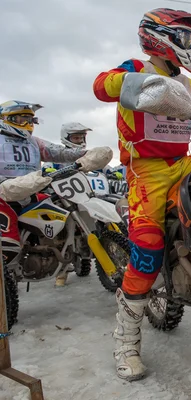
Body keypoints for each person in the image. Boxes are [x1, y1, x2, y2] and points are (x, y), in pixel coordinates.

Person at [93, 8, 191, 381]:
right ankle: (126, 339)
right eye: (186, 38)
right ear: (160, 37)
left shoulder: (189, 87)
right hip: (146, 171)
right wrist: (133, 83)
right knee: (146, 247)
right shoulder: (135, 66)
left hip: (183, 162)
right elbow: (100, 86)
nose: (190, 46)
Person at [0, 101, 111, 287]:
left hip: (32, 191)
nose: (28, 122)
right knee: (8, 237)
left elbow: (60, 153)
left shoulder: (34, 142)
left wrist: (87, 154)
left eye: (30, 118)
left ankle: (61, 252)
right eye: (22, 118)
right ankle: (7, 268)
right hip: (4, 194)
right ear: (7, 119)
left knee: (61, 207)